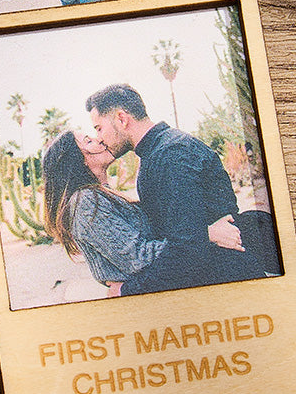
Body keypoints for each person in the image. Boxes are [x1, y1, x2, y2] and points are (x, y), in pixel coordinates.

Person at [85, 83, 281, 295]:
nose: (99, 138)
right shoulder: (159, 152)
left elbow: (187, 250)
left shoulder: (171, 154)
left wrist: (127, 290)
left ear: (122, 119)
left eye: (99, 128)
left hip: (230, 287)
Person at [41, 129, 241, 296]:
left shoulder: (101, 195)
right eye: (89, 141)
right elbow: (137, 258)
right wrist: (206, 235)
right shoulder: (86, 202)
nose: (99, 139)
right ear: (79, 160)